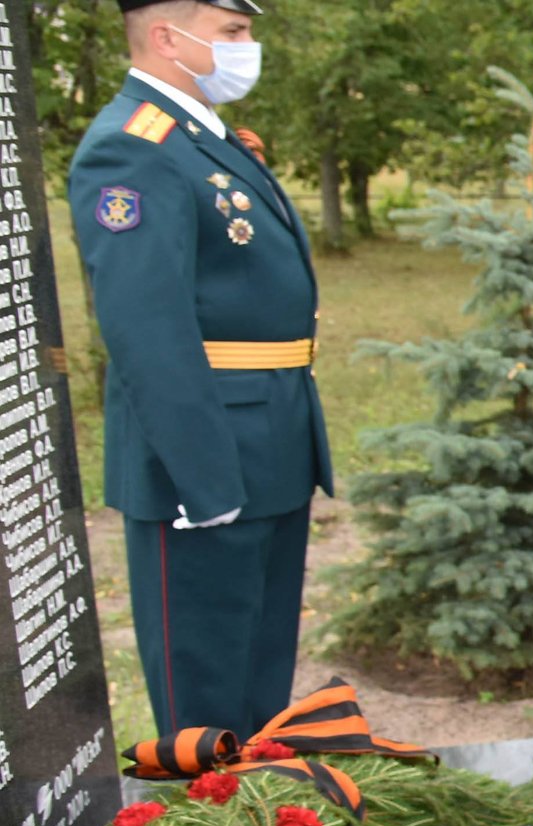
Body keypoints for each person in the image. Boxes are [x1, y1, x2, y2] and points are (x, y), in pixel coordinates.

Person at [68, 0, 331, 740]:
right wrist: (201, 476)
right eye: (233, 33)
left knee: (260, 665)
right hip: (207, 449)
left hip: (272, 430)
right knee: (208, 681)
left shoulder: (199, 135)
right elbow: (147, 327)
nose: (249, 49)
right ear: (165, 37)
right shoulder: (132, 147)